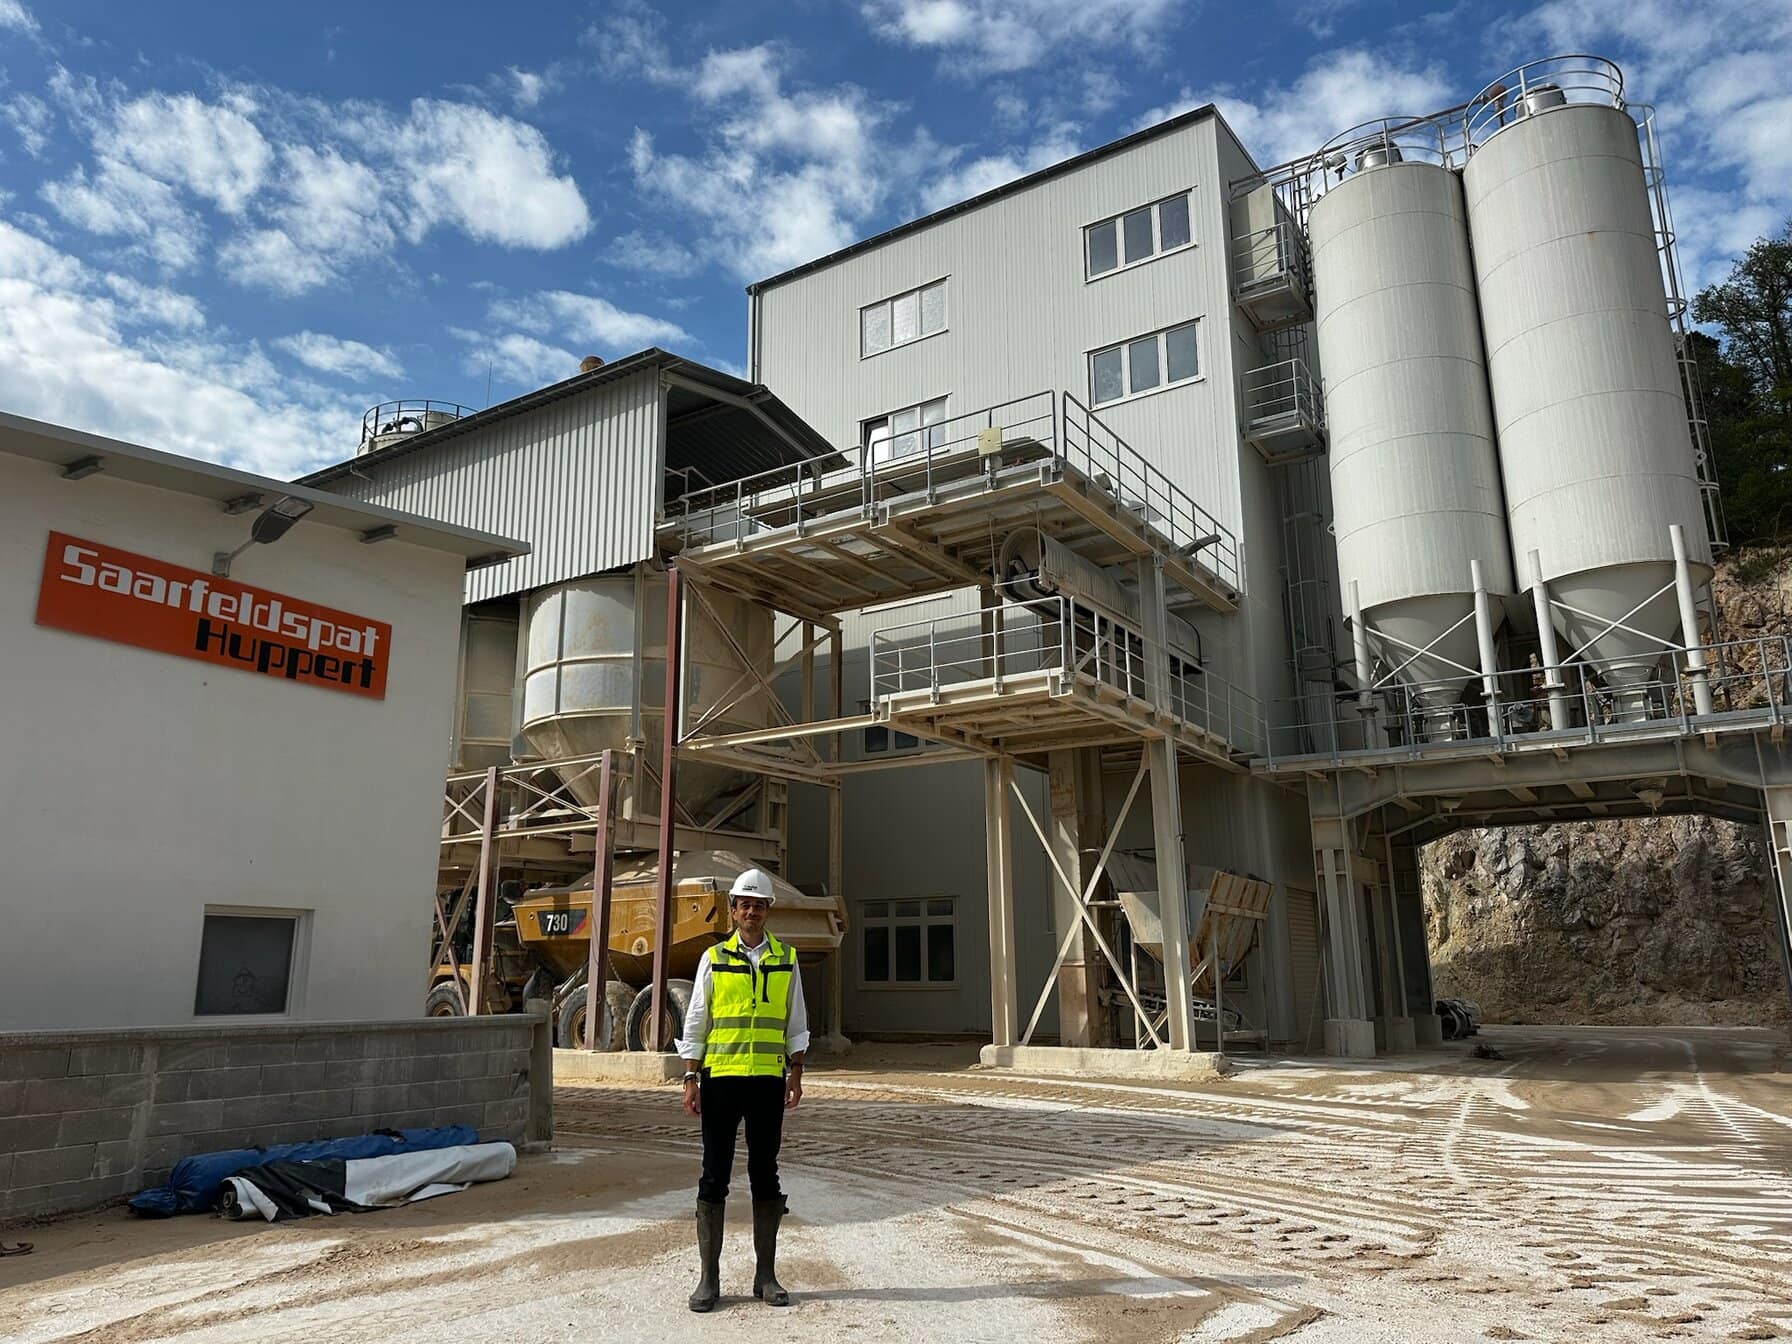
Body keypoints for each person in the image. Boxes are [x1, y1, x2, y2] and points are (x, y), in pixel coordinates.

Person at [677, 868, 807, 1312]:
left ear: (768, 911)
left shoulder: (786, 959)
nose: (751, 911)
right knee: (714, 1173)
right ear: (733, 911)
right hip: (721, 1080)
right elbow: (696, 1019)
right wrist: (690, 1076)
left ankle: (765, 1276)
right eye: (744, 904)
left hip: (768, 1081)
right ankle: (708, 1280)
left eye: (759, 904)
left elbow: (796, 1021)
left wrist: (796, 1073)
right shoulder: (713, 958)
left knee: (765, 1173)